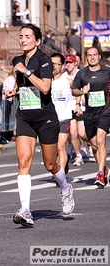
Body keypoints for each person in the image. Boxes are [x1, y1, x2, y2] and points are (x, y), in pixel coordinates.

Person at [6, 24, 74, 226]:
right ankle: (25, 209)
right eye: (21, 36)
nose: (23, 39)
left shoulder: (44, 59)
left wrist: (26, 72)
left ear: (37, 41)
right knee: (23, 162)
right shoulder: (17, 60)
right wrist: (15, 91)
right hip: (25, 117)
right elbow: (21, 84)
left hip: (46, 118)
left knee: (50, 164)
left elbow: (45, 87)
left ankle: (65, 187)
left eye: (27, 36)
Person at [71, 47, 110, 187]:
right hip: (89, 114)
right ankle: (105, 169)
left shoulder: (107, 71)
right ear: (86, 58)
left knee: (100, 140)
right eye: (89, 55)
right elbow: (74, 90)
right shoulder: (82, 73)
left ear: (99, 56)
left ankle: (100, 172)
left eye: (95, 55)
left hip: (105, 112)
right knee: (94, 145)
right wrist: (82, 91)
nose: (92, 57)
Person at [50, 53, 73, 184]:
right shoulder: (47, 81)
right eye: (51, 63)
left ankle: (60, 175)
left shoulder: (68, 81)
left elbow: (77, 92)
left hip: (64, 117)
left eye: (56, 64)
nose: (53, 66)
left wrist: (77, 105)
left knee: (60, 146)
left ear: (62, 65)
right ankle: (62, 165)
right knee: (53, 149)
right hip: (50, 119)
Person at [62, 55, 84, 167]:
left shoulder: (81, 73)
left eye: (70, 62)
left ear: (76, 63)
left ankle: (87, 144)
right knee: (73, 133)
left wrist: (79, 102)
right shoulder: (63, 76)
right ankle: (78, 155)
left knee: (83, 134)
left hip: (82, 107)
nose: (68, 64)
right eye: (67, 62)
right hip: (69, 108)